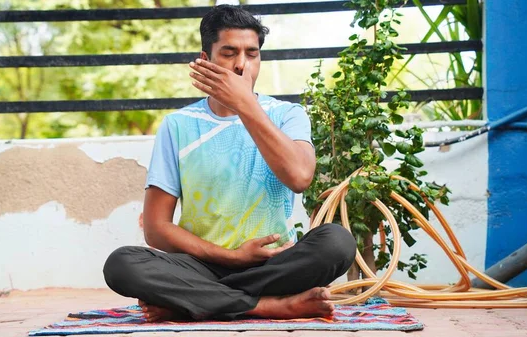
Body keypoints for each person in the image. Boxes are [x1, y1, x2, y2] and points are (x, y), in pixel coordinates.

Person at [103, 4, 356, 322]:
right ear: (206, 60)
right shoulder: (178, 125)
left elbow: (299, 177)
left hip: (274, 262)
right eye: (229, 52)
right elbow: (156, 229)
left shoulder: (287, 115)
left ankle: (197, 301)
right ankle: (266, 306)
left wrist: (245, 105)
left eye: (252, 53)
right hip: (202, 263)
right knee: (122, 264)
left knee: (337, 242)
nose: (241, 65)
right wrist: (232, 257)